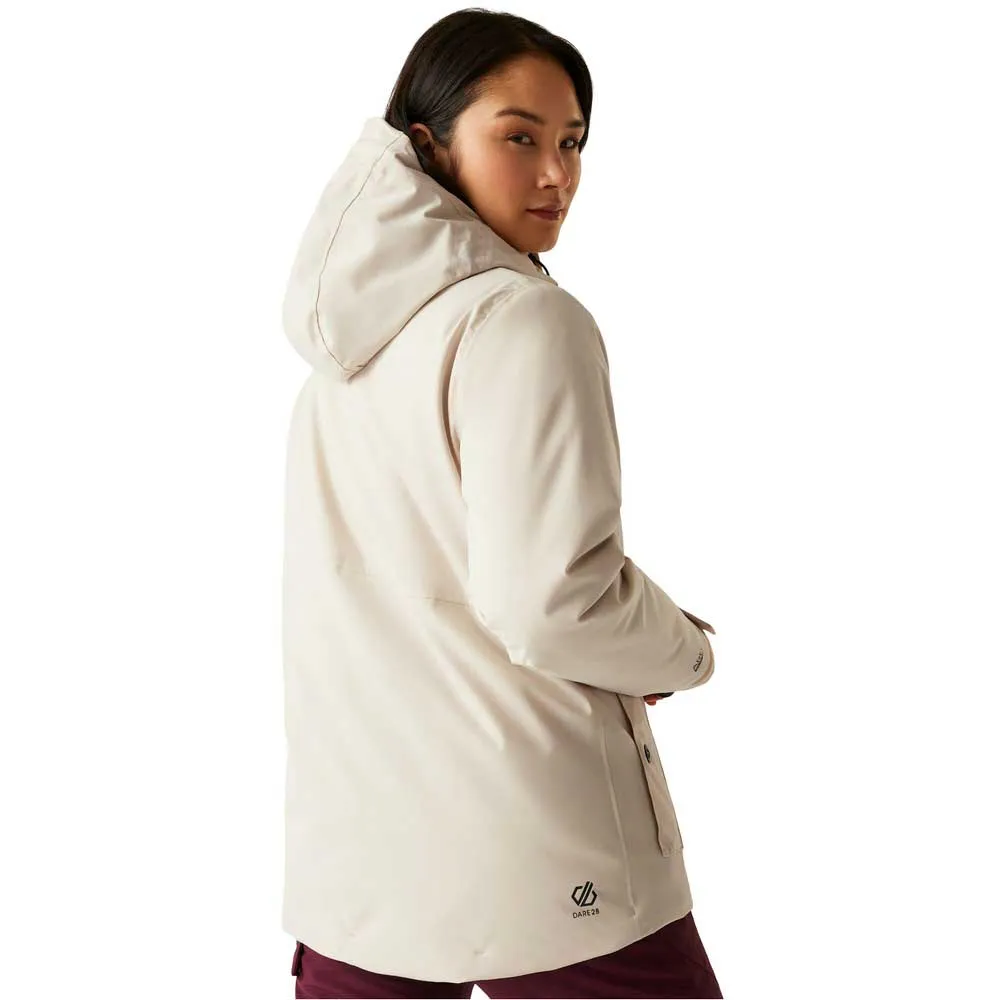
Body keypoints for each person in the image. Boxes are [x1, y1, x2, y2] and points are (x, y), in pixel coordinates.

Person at [279, 8, 723, 998]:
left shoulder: (345, 345)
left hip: (361, 862)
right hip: (545, 856)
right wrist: (683, 652)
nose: (556, 174)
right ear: (429, 142)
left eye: (573, 141)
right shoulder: (524, 320)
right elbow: (554, 603)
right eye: (519, 138)